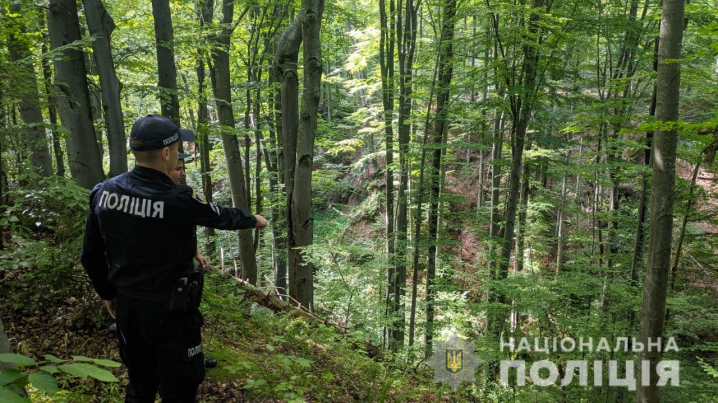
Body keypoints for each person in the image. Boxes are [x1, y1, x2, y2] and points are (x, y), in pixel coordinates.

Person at [81, 114, 267, 402]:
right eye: (179, 149)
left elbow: (91, 254)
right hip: (172, 312)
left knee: (140, 383)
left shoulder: (103, 191)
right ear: (167, 153)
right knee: (180, 385)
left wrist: (108, 294)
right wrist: (253, 219)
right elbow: (219, 216)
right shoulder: (178, 198)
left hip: (128, 307)